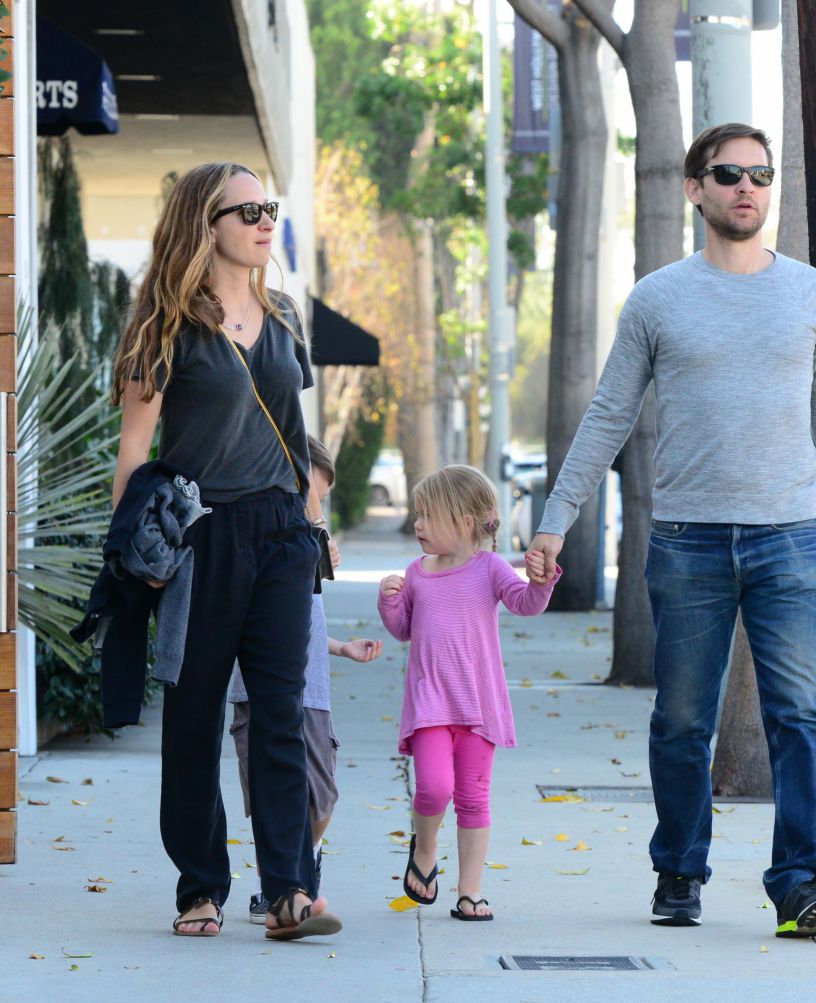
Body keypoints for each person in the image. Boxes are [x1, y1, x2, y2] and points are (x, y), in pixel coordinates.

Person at [526, 123, 816, 939]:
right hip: (687, 542)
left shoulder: (810, 294)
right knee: (682, 721)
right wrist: (557, 522)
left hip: (791, 538)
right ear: (696, 190)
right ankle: (679, 869)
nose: (747, 188)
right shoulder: (658, 298)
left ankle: (799, 882)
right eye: (728, 174)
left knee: (802, 714)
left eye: (760, 174)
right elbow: (608, 417)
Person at [111, 161, 336, 940]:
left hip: (280, 536)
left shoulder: (283, 317)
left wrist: (313, 524)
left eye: (269, 208)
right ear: (207, 225)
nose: (264, 221)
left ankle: (288, 891)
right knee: (195, 716)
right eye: (247, 211)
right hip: (201, 538)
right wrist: (135, 555)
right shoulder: (163, 327)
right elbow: (135, 452)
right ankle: (199, 884)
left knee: (280, 712)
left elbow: (297, 436)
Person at [377, 465, 560, 921]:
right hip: (430, 702)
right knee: (435, 788)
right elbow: (402, 630)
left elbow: (524, 604)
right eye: (417, 515)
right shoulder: (417, 573)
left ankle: (470, 891)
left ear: (463, 521)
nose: (417, 525)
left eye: (426, 515)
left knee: (474, 797)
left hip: (478, 705)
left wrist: (541, 582)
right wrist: (389, 601)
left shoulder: (490, 568)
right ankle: (425, 848)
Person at [229, 435, 382, 924]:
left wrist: (342, 648)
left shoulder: (306, 549)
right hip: (256, 689)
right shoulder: (265, 538)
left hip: (312, 691)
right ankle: (274, 885)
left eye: (323, 500)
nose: (318, 508)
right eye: (312, 494)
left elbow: (307, 625)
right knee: (270, 793)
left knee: (323, 794)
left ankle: (303, 864)